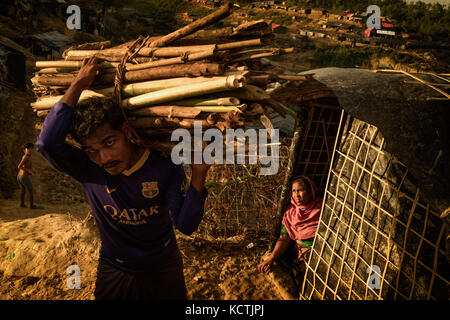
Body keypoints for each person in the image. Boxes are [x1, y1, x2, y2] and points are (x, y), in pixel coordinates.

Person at [36, 56, 211, 300]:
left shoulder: (162, 165)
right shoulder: (86, 167)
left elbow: (186, 225)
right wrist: (77, 85)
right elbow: (46, 143)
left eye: (109, 142)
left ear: (127, 132)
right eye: (91, 149)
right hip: (115, 265)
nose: (104, 157)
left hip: (163, 264)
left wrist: (199, 174)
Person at [258, 176, 323, 275]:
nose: (297, 195)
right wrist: (271, 258)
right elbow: (284, 239)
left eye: (301, 190)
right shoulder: (290, 213)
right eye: (294, 191)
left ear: (310, 191)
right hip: (304, 254)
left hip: (323, 253)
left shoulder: (322, 208)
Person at [17, 142, 37, 209]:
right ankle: (31, 206)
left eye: (31, 148)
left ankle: (22, 204)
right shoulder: (26, 157)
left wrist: (31, 171)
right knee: (30, 190)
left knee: (23, 190)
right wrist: (29, 171)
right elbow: (19, 166)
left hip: (20, 176)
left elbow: (25, 166)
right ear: (24, 150)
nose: (30, 150)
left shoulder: (26, 156)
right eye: (28, 149)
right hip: (23, 176)